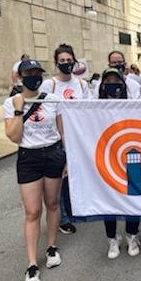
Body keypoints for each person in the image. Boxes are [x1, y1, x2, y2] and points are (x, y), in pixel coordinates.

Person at [4, 60, 66, 281]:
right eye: (28, 73)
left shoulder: (52, 100)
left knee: (52, 203)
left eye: (37, 73)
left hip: (52, 154)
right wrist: (20, 108)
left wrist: (66, 158)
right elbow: (13, 136)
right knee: (32, 211)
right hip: (28, 158)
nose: (33, 77)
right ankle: (32, 263)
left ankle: (51, 247)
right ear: (20, 76)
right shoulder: (12, 103)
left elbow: (61, 131)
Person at [40, 44, 92, 235]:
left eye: (69, 61)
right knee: (58, 180)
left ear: (74, 61)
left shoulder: (82, 85)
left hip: (77, 139)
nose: (66, 64)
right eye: (62, 61)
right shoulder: (49, 85)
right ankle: (62, 219)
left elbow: (89, 110)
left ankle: (73, 211)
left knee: (75, 177)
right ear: (56, 63)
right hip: (56, 139)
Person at [98, 68, 141, 258]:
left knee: (133, 196)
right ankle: (112, 239)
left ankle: (132, 235)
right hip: (107, 156)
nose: (113, 84)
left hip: (130, 155)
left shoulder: (133, 105)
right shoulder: (92, 108)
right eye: (108, 81)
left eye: (116, 80)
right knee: (109, 199)